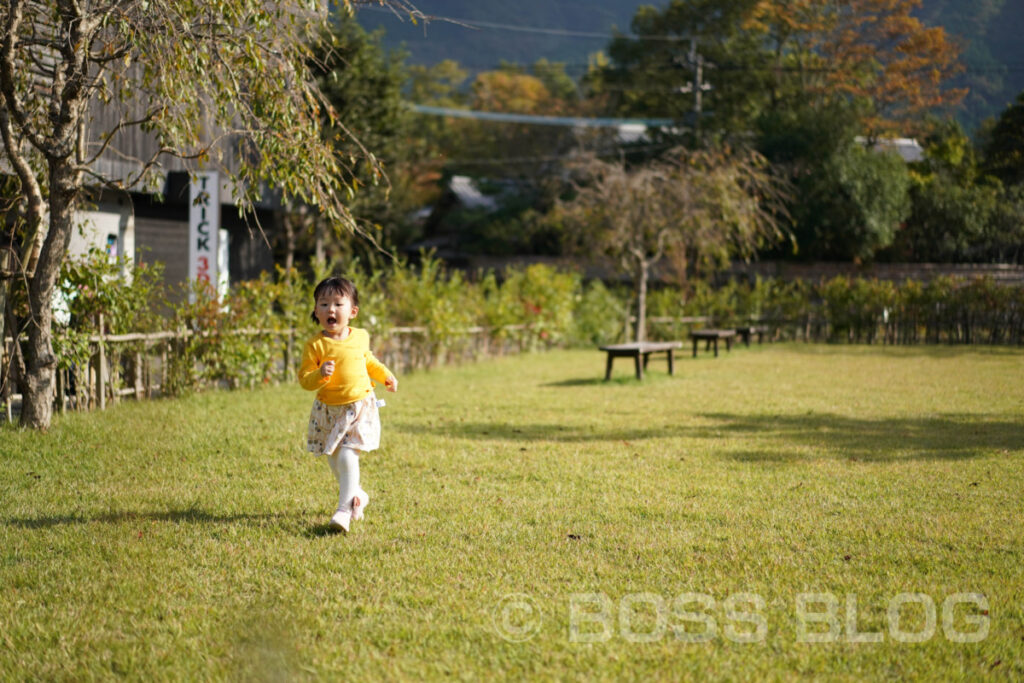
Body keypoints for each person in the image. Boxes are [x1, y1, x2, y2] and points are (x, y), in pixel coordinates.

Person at [298, 276, 398, 533]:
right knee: (333, 460)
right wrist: (319, 373)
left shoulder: (360, 337)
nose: (330, 309)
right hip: (328, 410)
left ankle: (343, 511)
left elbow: (369, 362)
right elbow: (305, 381)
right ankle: (359, 497)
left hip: (359, 407)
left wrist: (385, 375)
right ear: (316, 312)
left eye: (337, 303)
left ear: (352, 311)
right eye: (323, 303)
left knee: (346, 455)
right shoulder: (315, 345)